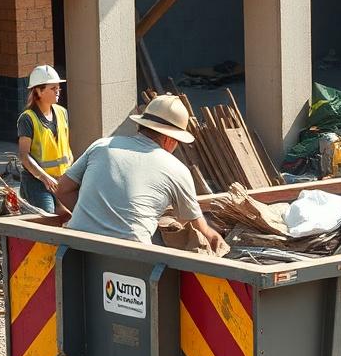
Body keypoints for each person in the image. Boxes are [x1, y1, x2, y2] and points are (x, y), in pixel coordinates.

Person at [57, 94, 224, 252]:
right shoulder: (177, 169)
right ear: (169, 140)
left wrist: (96, 216)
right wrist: (215, 237)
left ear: (141, 125)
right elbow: (199, 228)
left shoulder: (101, 146)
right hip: (132, 256)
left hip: (75, 246)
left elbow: (63, 189)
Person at [17, 65, 73, 214]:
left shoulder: (62, 113)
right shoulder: (27, 119)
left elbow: (65, 147)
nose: (58, 91)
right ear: (38, 91)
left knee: (71, 217)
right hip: (37, 183)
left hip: (61, 182)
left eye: (58, 88)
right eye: (53, 88)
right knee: (47, 218)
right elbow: (24, 155)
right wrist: (44, 177)